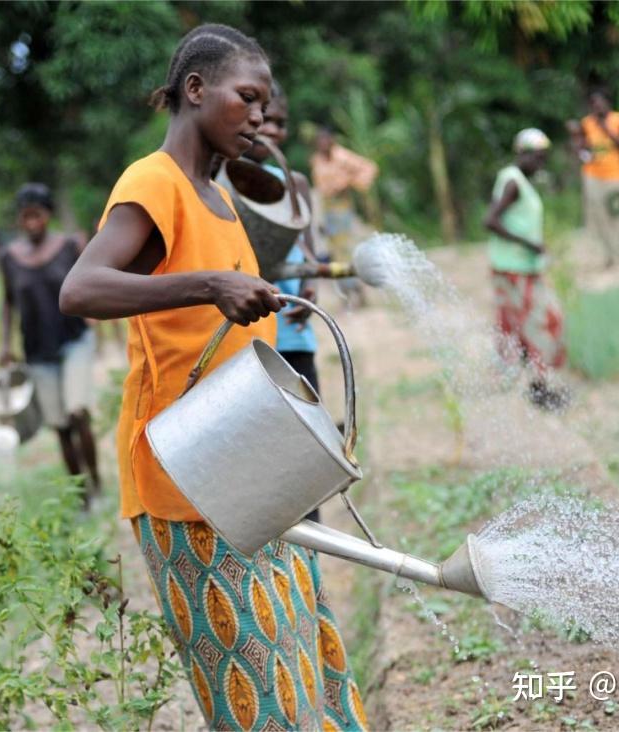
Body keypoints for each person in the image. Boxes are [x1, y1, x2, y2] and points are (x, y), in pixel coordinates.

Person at [59, 24, 367, 731]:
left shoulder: (221, 200)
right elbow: (81, 290)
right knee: (257, 689)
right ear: (195, 90)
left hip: (252, 464)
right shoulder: (152, 182)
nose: (259, 116)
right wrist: (206, 284)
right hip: (187, 479)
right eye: (247, 99)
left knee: (306, 665)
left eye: (265, 105)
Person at [243, 81, 324, 523]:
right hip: (253, 341)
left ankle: (313, 566)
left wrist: (310, 287)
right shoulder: (226, 185)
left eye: (280, 123)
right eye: (264, 119)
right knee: (264, 456)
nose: (270, 129)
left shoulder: (295, 184)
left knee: (308, 450)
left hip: (294, 333)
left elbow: (308, 255)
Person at [0, 183, 101, 501]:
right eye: (25, 216)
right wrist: (5, 344)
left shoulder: (70, 246)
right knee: (59, 426)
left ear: (48, 215)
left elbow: (92, 281)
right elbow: (7, 302)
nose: (32, 223)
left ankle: (96, 486)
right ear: (19, 219)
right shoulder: (9, 257)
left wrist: (95, 315)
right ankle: (80, 495)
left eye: (37, 215)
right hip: (37, 350)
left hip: (74, 340)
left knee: (78, 413)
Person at [483, 129, 568, 411]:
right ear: (524, 154)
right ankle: (539, 388)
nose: (540, 164)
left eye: (544, 159)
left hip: (522, 268)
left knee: (526, 327)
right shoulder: (513, 181)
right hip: (512, 269)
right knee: (540, 324)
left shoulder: (520, 181)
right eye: (538, 158)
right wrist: (529, 244)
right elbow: (490, 220)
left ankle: (535, 385)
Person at [309, 128, 378, 307]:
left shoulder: (343, 157)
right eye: (319, 141)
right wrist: (319, 219)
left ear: (332, 140)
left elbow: (369, 168)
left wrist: (350, 183)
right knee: (334, 254)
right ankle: (346, 293)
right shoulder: (316, 160)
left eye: (326, 140)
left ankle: (357, 291)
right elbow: (319, 190)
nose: (322, 144)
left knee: (346, 252)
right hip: (328, 210)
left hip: (342, 209)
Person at [577, 90, 619, 268]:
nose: (597, 107)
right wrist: (582, 152)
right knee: (599, 217)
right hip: (592, 176)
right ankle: (607, 256)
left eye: (600, 103)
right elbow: (580, 146)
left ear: (607, 103)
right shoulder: (586, 123)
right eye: (593, 104)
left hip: (615, 176)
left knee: (618, 214)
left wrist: (606, 130)